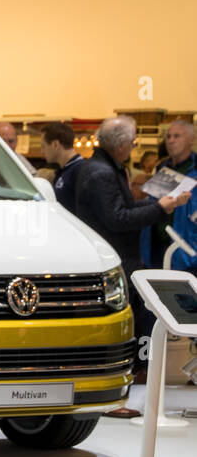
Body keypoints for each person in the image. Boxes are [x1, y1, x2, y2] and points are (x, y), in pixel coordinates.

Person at [77, 115, 191, 415]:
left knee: (134, 320)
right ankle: (113, 393)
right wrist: (159, 208)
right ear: (120, 145)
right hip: (113, 259)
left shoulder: (105, 168)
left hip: (121, 257)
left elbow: (123, 209)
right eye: (132, 141)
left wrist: (161, 205)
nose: (134, 146)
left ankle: (123, 385)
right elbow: (118, 218)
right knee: (122, 326)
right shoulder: (101, 173)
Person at [147, 119, 197, 271]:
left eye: (176, 136)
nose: (170, 141)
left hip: (188, 247)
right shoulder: (162, 167)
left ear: (191, 140)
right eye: (168, 137)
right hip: (156, 245)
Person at [40, 121, 85, 216]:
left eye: (43, 146)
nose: (42, 151)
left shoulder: (80, 170)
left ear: (56, 144)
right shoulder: (66, 170)